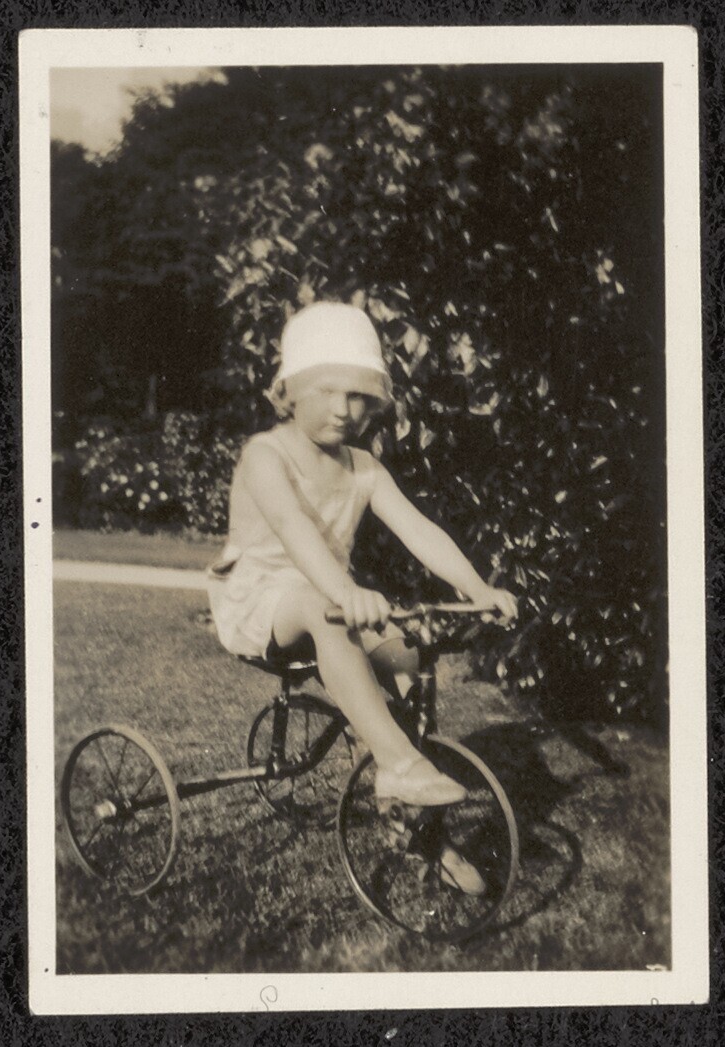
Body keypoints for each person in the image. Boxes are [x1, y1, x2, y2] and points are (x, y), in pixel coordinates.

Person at [208, 301, 517, 892]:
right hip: (261, 602)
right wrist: (346, 590)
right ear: (288, 391)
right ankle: (397, 764)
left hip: (327, 599)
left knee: (405, 655)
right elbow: (293, 529)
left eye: (358, 397)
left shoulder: (364, 467)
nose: (343, 410)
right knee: (324, 612)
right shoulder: (265, 455)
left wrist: (478, 587)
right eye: (326, 391)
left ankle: (417, 818)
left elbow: (419, 529)